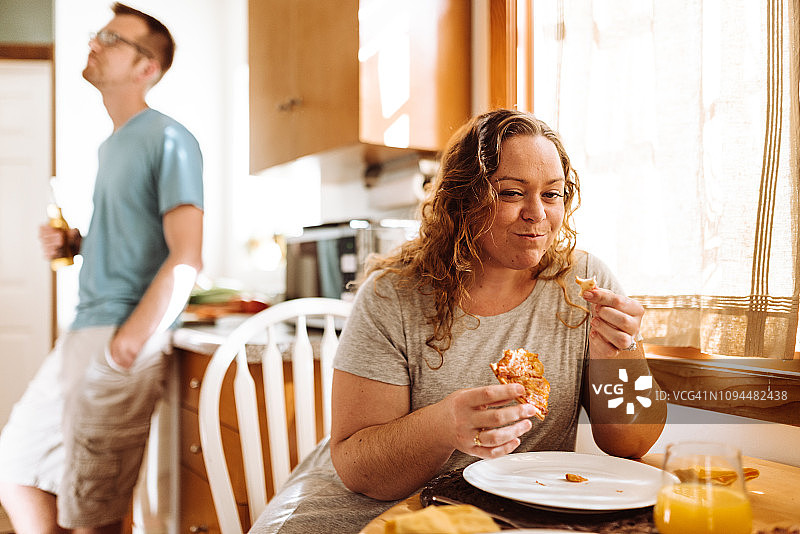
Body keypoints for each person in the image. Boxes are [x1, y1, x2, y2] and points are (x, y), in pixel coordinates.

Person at [249, 108, 666, 533]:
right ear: (464, 197)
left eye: (552, 194)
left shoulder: (585, 287)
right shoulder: (393, 296)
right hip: (361, 513)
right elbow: (360, 471)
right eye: (510, 193)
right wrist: (444, 425)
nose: (537, 213)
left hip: (501, 518)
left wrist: (621, 353)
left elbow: (630, 445)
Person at [0, 3, 203, 533]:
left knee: (96, 508)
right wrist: (78, 241)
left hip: (118, 336)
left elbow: (186, 256)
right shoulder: (112, 145)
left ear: (146, 68)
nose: (96, 42)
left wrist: (128, 345)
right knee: (18, 465)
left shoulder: (169, 138)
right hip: (83, 333)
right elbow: (136, 238)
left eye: (113, 38)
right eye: (100, 33)